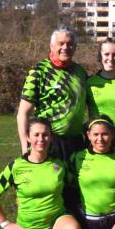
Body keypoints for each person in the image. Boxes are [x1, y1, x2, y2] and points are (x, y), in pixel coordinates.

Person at [17, 28, 88, 161]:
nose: (65, 47)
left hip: (76, 143)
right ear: (52, 46)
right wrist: (25, 146)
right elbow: (23, 113)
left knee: (75, 181)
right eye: (61, 43)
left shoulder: (80, 72)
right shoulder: (39, 72)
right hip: (49, 142)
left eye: (70, 44)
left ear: (75, 47)